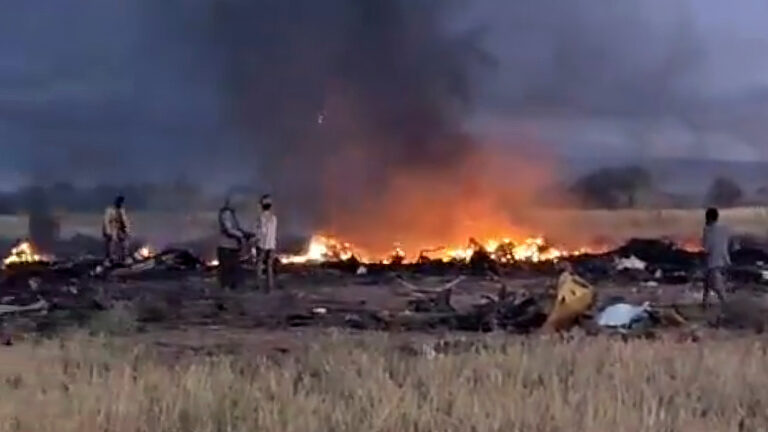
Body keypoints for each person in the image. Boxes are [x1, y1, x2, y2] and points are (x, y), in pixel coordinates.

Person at [217, 196, 250, 290]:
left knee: (234, 275)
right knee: (227, 275)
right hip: (226, 248)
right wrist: (242, 236)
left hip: (232, 248)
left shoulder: (231, 214)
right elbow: (229, 230)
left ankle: (231, 296)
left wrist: (245, 234)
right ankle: (226, 298)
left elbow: (236, 228)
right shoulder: (226, 214)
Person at [702, 207, 729, 308]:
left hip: (712, 262)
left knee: (717, 287)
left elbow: (706, 247)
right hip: (724, 260)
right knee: (707, 285)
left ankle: (727, 307)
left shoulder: (707, 230)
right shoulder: (724, 228)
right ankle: (704, 304)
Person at [255, 194, 278, 291]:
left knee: (259, 265)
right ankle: (270, 286)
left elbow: (262, 231)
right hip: (272, 244)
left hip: (262, 245)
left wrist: (256, 240)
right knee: (269, 266)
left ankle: (259, 286)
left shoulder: (261, 218)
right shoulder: (274, 218)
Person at [102, 195, 130, 264]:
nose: (120, 204)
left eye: (121, 202)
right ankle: (110, 258)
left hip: (119, 229)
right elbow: (106, 221)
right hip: (112, 228)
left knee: (124, 243)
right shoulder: (109, 210)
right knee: (111, 243)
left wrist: (127, 230)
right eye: (119, 202)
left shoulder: (122, 210)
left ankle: (124, 258)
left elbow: (125, 221)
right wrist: (108, 232)